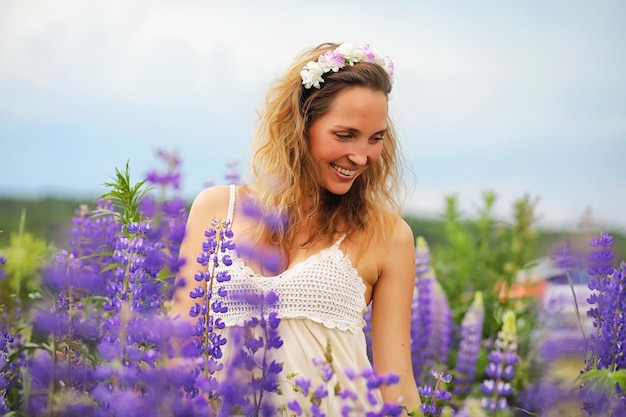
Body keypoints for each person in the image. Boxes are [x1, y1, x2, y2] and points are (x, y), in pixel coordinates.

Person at [172, 42, 421, 415]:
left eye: (376, 138)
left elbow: (397, 385)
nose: (362, 156)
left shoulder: (388, 235)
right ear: (300, 124)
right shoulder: (216, 209)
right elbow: (179, 352)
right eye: (345, 134)